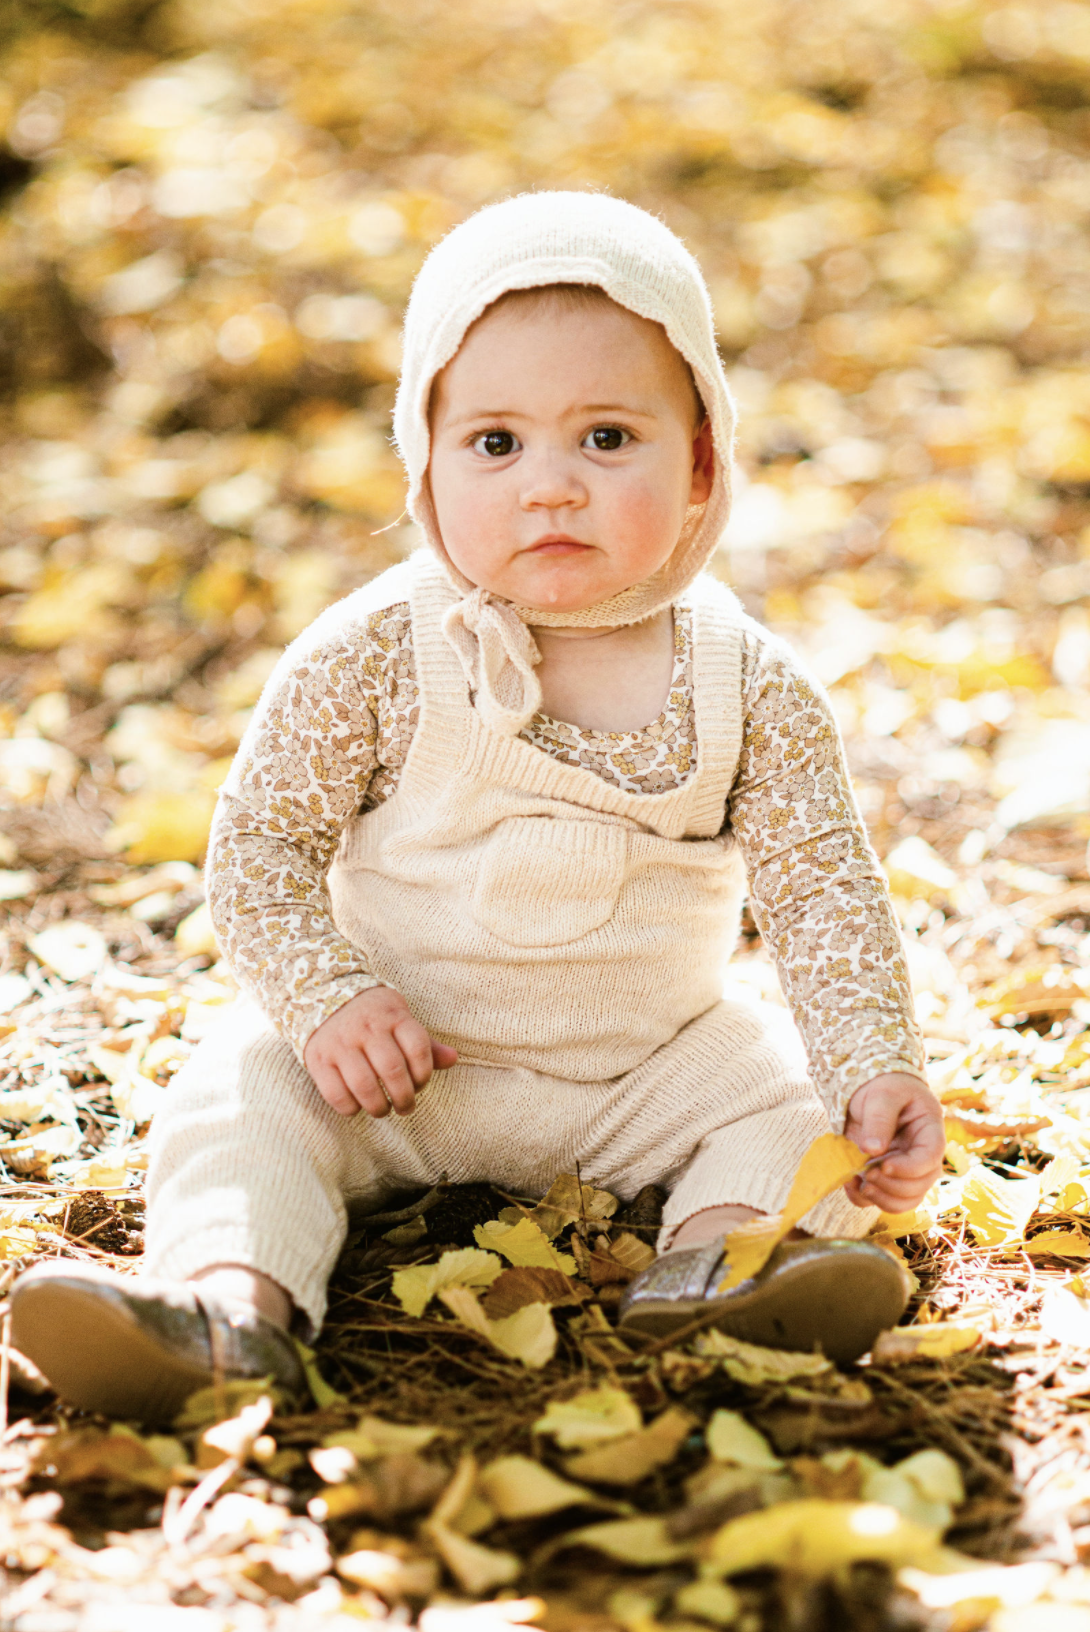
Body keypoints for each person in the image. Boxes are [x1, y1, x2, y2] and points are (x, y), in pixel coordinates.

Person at [12, 192, 944, 1421]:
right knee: (237, 1088)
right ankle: (229, 1310)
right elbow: (259, 848)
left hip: (644, 1076)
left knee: (792, 1106)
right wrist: (326, 997)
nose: (549, 488)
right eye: (496, 444)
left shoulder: (748, 684)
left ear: (704, 456)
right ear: (426, 468)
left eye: (607, 439)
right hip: (395, 1074)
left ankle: (722, 1268)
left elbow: (823, 891)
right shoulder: (377, 653)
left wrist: (878, 1065)